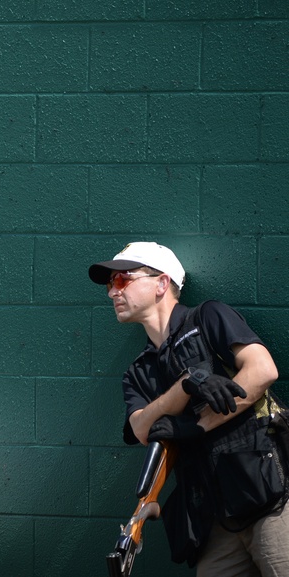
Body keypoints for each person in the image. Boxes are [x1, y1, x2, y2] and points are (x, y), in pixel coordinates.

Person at [89, 241, 289, 575]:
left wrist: (195, 426)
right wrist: (184, 385)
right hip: (212, 519)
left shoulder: (208, 316)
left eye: (122, 280)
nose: (112, 292)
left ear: (161, 283)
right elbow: (141, 428)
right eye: (110, 284)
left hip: (268, 497)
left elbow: (262, 371)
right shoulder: (139, 371)